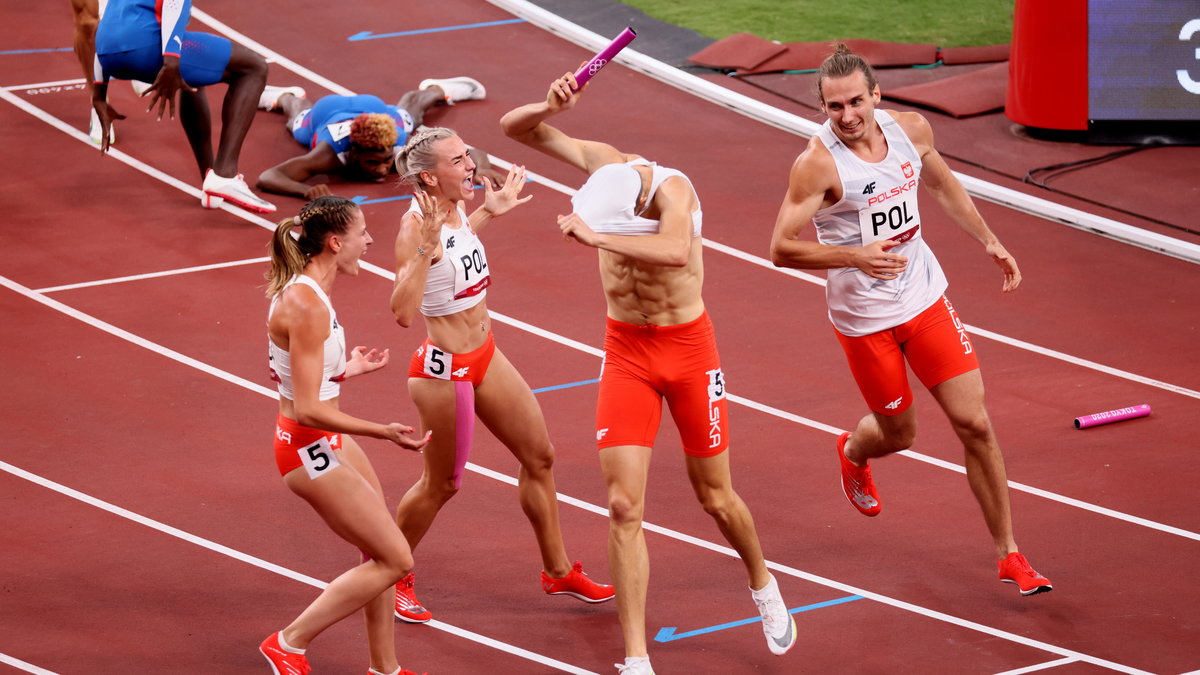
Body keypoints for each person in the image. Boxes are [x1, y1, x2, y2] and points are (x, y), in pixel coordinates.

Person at [501, 74, 797, 675]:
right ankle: (636, 659)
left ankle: (763, 583)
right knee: (621, 507)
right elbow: (517, 129)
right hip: (627, 352)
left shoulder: (674, 192)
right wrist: (549, 102)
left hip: (688, 350)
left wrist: (596, 236)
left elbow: (676, 252)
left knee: (715, 496)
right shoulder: (603, 166)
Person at [768, 44, 1052, 596]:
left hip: (923, 296)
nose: (847, 117)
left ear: (877, 95)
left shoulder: (911, 131)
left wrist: (989, 240)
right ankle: (853, 451)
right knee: (901, 434)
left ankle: (1010, 554)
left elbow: (942, 184)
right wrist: (855, 255)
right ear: (822, 108)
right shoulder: (818, 164)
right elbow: (780, 247)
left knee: (976, 424)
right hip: (864, 317)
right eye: (834, 108)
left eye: (855, 102)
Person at [388, 126, 615, 625]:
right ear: (429, 176)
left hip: (486, 355)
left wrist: (488, 211)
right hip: (444, 374)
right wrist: (425, 249)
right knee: (442, 484)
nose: (470, 165)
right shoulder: (414, 228)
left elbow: (457, 249)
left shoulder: (453, 209)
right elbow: (403, 312)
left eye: (467, 155)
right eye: (458, 161)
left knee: (540, 456)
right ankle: (390, 574)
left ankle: (557, 570)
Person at [261, 195, 431, 675]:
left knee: (380, 550)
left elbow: (303, 378)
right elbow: (310, 407)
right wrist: (382, 432)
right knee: (396, 559)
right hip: (306, 447)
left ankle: (385, 669)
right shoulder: (305, 303)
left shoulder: (312, 293)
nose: (370, 241)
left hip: (325, 440)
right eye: (363, 234)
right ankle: (288, 642)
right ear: (336, 243)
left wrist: (346, 368)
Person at [90, 0, 275, 212]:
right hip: (145, 47)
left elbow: (106, 24)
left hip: (106, 53)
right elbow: (173, 3)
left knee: (194, 77)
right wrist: (171, 61)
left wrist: (99, 94)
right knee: (254, 68)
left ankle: (210, 180)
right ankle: (225, 174)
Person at [255, 78, 500, 201]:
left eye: (385, 160)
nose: (384, 169)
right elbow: (268, 177)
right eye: (372, 163)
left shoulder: (399, 149)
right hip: (327, 112)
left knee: (411, 115)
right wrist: (306, 190)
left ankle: (437, 88)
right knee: (296, 122)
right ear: (352, 154)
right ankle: (285, 96)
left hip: (376, 108)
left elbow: (470, 151)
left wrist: (483, 167)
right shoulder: (328, 154)